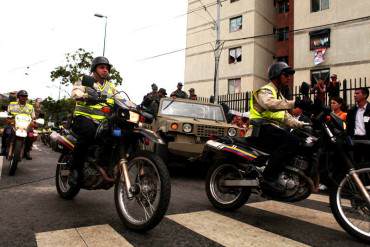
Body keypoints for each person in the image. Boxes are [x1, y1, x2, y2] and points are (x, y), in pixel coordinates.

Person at [249, 62, 305, 192]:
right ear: (276, 75)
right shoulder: (265, 91)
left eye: (289, 75)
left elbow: (286, 117)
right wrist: (295, 102)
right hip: (260, 128)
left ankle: (283, 173)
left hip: (272, 129)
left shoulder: (279, 95)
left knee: (300, 140)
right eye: (286, 75)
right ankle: (269, 177)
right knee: (292, 141)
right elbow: (270, 104)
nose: (289, 78)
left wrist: (303, 125)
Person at [69, 56, 118, 185]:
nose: (105, 70)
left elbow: (120, 99)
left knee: (117, 135)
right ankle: (75, 170)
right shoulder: (85, 80)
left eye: (107, 68)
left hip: (103, 122)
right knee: (88, 133)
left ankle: (104, 165)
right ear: (94, 69)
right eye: (102, 67)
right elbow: (75, 93)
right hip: (83, 117)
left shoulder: (111, 86)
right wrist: (84, 96)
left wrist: (134, 107)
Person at [1, 90, 36, 159]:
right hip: (13, 123)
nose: (23, 97)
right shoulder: (12, 104)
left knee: (31, 135)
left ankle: (27, 152)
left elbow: (33, 117)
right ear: (18, 97)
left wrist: (34, 122)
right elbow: (7, 114)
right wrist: (7, 117)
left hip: (26, 125)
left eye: (25, 96)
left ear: (27, 98)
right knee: (6, 131)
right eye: (22, 96)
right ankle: (3, 149)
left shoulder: (30, 107)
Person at [346, 88, 370, 163]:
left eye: (357, 93)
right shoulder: (352, 110)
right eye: (354, 93)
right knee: (356, 163)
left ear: (365, 95)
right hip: (355, 140)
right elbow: (349, 126)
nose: (354, 95)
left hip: (367, 140)